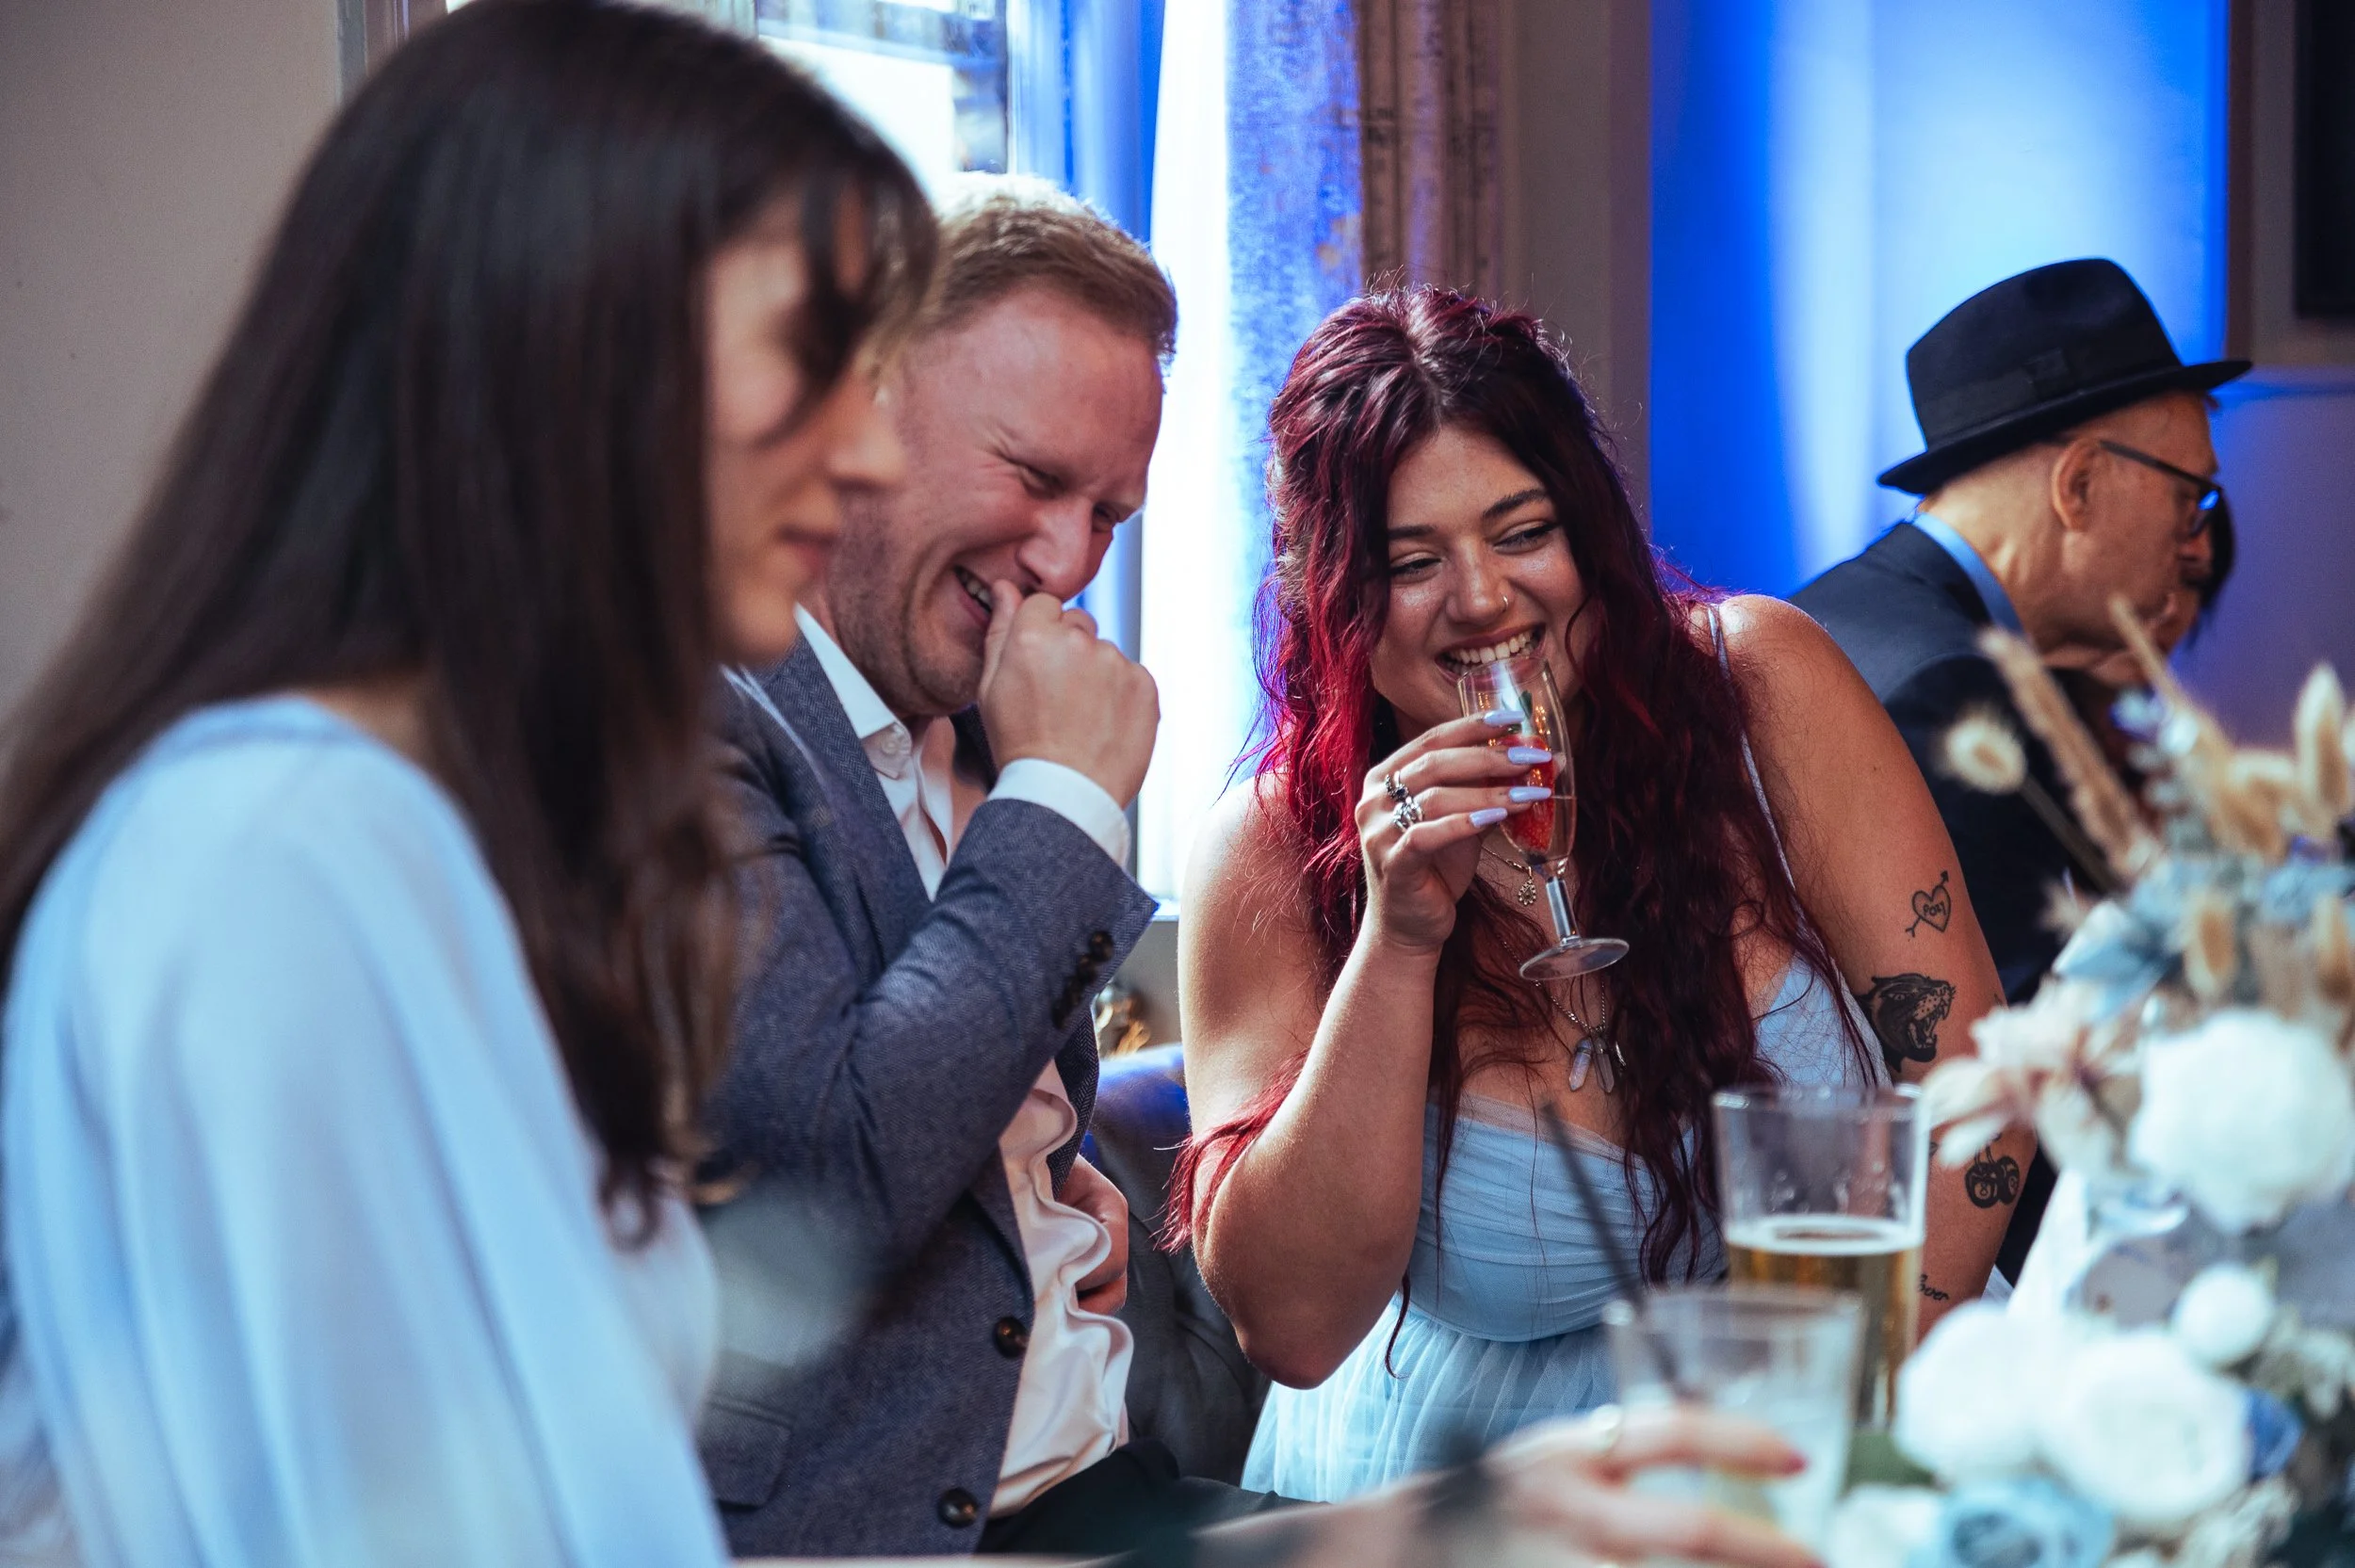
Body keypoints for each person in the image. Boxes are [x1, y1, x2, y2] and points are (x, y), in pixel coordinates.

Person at [695, 184, 1834, 1568]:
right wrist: (1065, 798)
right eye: (1034, 478)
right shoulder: (686, 718)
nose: (1068, 562)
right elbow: (827, 1186)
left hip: (1111, 1490)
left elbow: (885, 1097)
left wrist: (1036, 1182)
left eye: (1110, 511)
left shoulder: (947, 721)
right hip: (902, 1529)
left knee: (1608, 1509)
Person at [0, 4, 930, 1562]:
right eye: (812, 356)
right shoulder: (285, 857)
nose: (873, 454)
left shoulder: (409, 836)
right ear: (568, 332)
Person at [1172, 285, 2023, 1503]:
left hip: (1857, 1404)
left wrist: (1843, 1429)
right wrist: (1400, 942)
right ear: (1328, 592)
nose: (1482, 599)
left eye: (1522, 532)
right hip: (1486, 1484)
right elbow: (1293, 1326)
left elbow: (1978, 1082)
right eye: (1412, 561)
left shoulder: (1758, 686)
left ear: (1592, 534)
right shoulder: (1266, 850)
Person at [1791, 258, 2247, 1280]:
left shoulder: (1855, 608)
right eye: (2192, 499)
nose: (2192, 546)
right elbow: (2022, 1082)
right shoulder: (1950, 687)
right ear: (2078, 484)